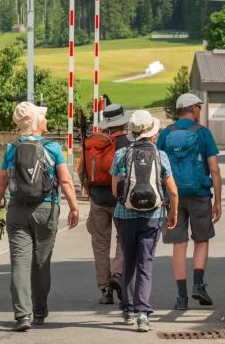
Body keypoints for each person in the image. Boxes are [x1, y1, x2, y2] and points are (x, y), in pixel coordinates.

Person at [0, 102, 79, 332]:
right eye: (43, 117)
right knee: (41, 263)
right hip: (46, 209)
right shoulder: (53, 148)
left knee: (19, 264)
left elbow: (1, 181)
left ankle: (22, 315)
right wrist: (74, 207)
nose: (46, 121)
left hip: (17, 210)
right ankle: (39, 311)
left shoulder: (12, 148)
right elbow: (66, 181)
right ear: (38, 122)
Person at [110, 110, 179, 332]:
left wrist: (127, 201)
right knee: (145, 264)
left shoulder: (121, 153)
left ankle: (128, 309)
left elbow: (114, 190)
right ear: (152, 132)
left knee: (128, 260)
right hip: (153, 216)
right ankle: (142, 313)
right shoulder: (161, 156)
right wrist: (173, 213)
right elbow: (173, 192)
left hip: (125, 215)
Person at [156, 93, 222, 310]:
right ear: (193, 108)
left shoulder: (166, 133)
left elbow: (158, 167)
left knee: (178, 243)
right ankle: (198, 284)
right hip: (200, 193)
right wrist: (219, 201)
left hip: (173, 195)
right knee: (201, 240)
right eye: (199, 108)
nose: (199, 111)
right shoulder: (203, 133)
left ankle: (181, 297)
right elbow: (214, 169)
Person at [81, 104, 131, 304]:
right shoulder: (128, 143)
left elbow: (81, 170)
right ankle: (117, 274)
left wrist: (90, 192)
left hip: (97, 198)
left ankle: (104, 289)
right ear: (123, 122)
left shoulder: (93, 142)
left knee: (100, 243)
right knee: (123, 238)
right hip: (120, 198)